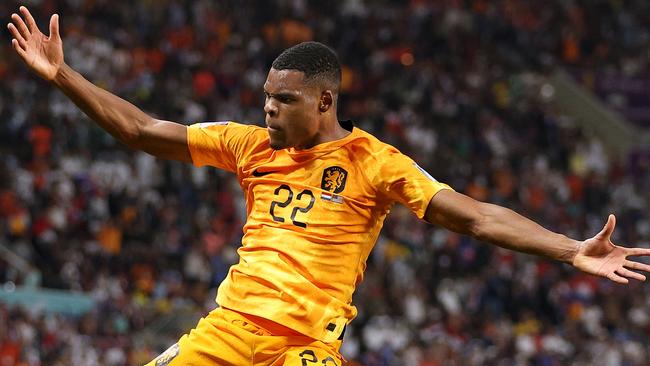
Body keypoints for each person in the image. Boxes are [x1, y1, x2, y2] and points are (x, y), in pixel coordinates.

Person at [7, 6, 650, 366]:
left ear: (324, 100)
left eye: (281, 101)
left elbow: (475, 216)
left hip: (307, 349)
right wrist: (63, 76)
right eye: (265, 99)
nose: (267, 111)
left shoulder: (376, 162)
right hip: (229, 331)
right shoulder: (248, 145)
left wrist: (569, 249)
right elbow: (144, 129)